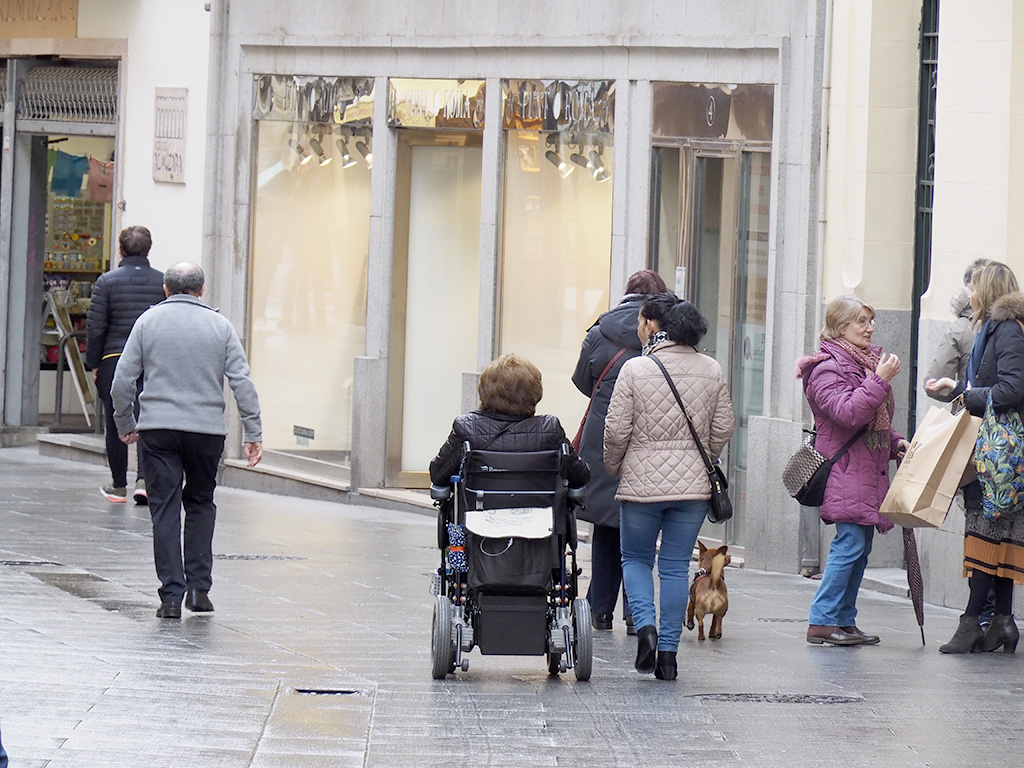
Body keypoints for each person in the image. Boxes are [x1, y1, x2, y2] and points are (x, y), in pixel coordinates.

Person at [111, 262, 263, 619]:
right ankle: (199, 589)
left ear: (166, 289)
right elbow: (242, 382)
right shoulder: (220, 326)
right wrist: (253, 431)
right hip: (207, 431)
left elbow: (122, 381)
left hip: (159, 429)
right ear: (202, 289)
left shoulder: (147, 322)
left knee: (163, 507)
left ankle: (169, 597)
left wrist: (126, 421)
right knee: (200, 503)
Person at [603, 293, 735, 680]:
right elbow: (723, 426)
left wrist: (616, 466)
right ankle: (668, 656)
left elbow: (616, 430)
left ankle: (645, 626)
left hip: (642, 485)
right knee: (676, 567)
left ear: (662, 328)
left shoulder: (636, 369)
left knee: (636, 559)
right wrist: (704, 456)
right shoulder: (711, 369)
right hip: (693, 488)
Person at [797, 295, 909, 647]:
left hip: (867, 467)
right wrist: (879, 380)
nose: (870, 328)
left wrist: (896, 444)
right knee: (849, 544)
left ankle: (844, 619)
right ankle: (821, 620)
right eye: (861, 321)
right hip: (844, 469)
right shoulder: (826, 368)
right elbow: (847, 414)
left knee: (860, 547)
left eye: (870, 320)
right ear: (840, 326)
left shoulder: (863, 364)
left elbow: (873, 423)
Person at [925, 262, 1024, 654]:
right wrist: (961, 388)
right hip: (1002, 453)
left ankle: (971, 622)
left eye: (972, 288)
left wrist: (971, 396)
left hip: (998, 455)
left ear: (986, 291)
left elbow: (1012, 389)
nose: (968, 295)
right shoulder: (998, 328)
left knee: (984, 531)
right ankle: (1001, 621)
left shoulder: (1005, 329)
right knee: (999, 536)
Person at [572, 269, 668, 634]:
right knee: (641, 523)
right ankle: (635, 612)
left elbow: (582, 380)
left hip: (603, 435)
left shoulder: (600, 331)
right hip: (651, 433)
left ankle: (599, 610)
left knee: (606, 526)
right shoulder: (667, 334)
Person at [85, 225, 166, 504]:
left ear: (120, 250)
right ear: (148, 249)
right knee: (150, 418)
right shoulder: (162, 282)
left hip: (114, 359)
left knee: (116, 418)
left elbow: (96, 327)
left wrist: (94, 363)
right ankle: (144, 479)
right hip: (151, 360)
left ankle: (118, 485)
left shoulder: (107, 282)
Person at [430, 353, 589, 491]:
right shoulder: (549, 428)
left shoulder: (467, 427)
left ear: (484, 390)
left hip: (478, 519)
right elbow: (581, 476)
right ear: (535, 392)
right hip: (539, 521)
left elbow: (438, 474)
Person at [925, 258, 994, 399]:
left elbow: (936, 384)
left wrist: (955, 388)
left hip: (972, 412)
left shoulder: (960, 329)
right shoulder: (1014, 324)